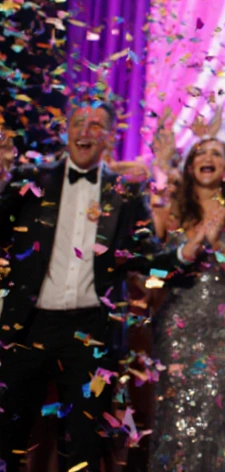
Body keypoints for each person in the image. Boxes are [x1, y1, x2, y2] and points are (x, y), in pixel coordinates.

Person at [0, 102, 184, 469]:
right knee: (8, 438)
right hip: (29, 328)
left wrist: (186, 252)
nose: (85, 132)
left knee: (83, 448)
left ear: (110, 137)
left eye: (96, 125)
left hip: (91, 335)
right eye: (78, 123)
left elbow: (148, 255)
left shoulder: (126, 193)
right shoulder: (29, 179)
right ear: (67, 131)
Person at [146, 137, 225, 470]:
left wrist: (217, 246)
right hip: (176, 327)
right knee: (173, 419)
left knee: (213, 420)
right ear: (190, 166)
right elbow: (151, 269)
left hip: (222, 331)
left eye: (216, 154)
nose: (207, 158)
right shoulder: (170, 214)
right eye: (200, 153)